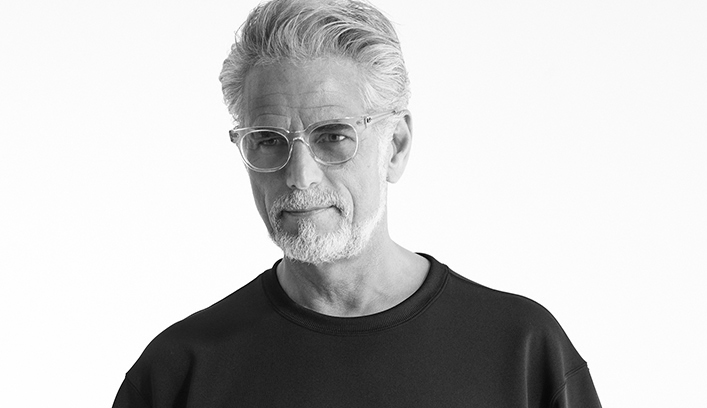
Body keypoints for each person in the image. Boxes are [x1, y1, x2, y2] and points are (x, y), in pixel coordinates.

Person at [112, 0, 602, 406]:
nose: (299, 176)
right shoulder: (178, 373)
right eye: (268, 140)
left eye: (332, 136)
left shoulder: (522, 352)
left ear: (396, 146)